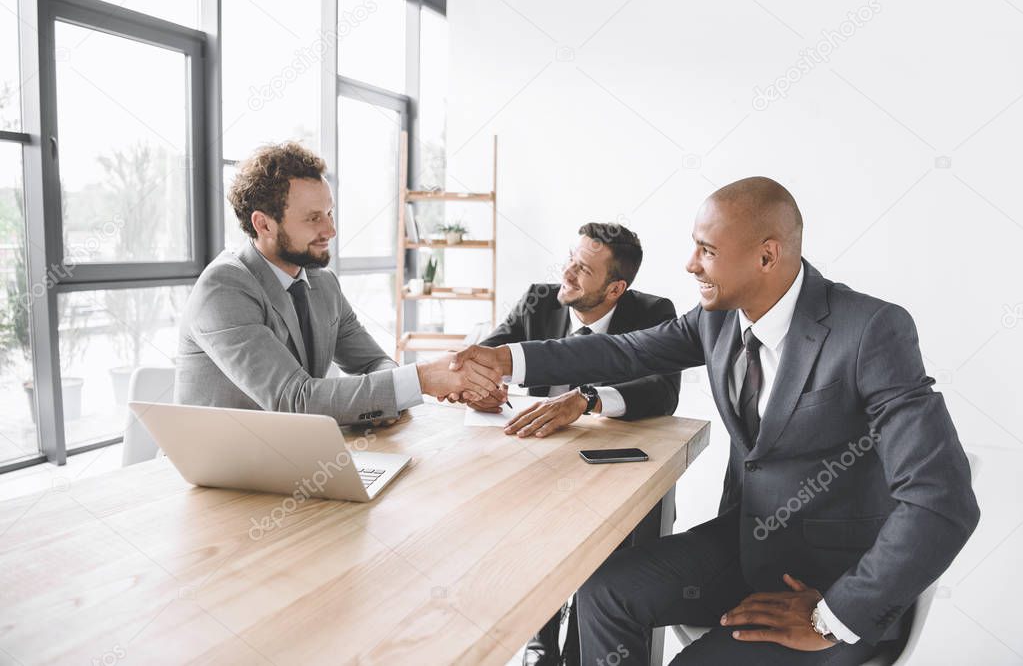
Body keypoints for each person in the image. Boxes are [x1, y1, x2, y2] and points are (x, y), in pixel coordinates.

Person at [448, 176, 980, 664]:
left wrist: (832, 616)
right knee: (602, 593)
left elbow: (942, 500)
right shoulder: (717, 320)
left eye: (707, 249)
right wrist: (508, 359)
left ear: (767, 256)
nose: (690, 264)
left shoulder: (870, 330)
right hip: (747, 546)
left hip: (829, 584)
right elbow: (624, 353)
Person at [175, 142, 501, 425]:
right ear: (263, 224)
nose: (330, 231)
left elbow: (374, 363)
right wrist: (424, 378)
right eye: (313, 218)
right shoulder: (225, 288)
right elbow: (295, 400)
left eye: (329, 213)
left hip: (287, 461)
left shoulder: (322, 284)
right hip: (213, 478)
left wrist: (444, 382)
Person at [474, 222, 680, 666]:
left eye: (583, 268)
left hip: (610, 474)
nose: (566, 273)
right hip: (536, 469)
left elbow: (663, 391)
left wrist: (588, 400)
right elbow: (490, 350)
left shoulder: (653, 311)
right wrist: (484, 382)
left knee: (615, 563)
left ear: (615, 289)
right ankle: (539, 640)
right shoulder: (539, 297)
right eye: (570, 257)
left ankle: (588, 646)